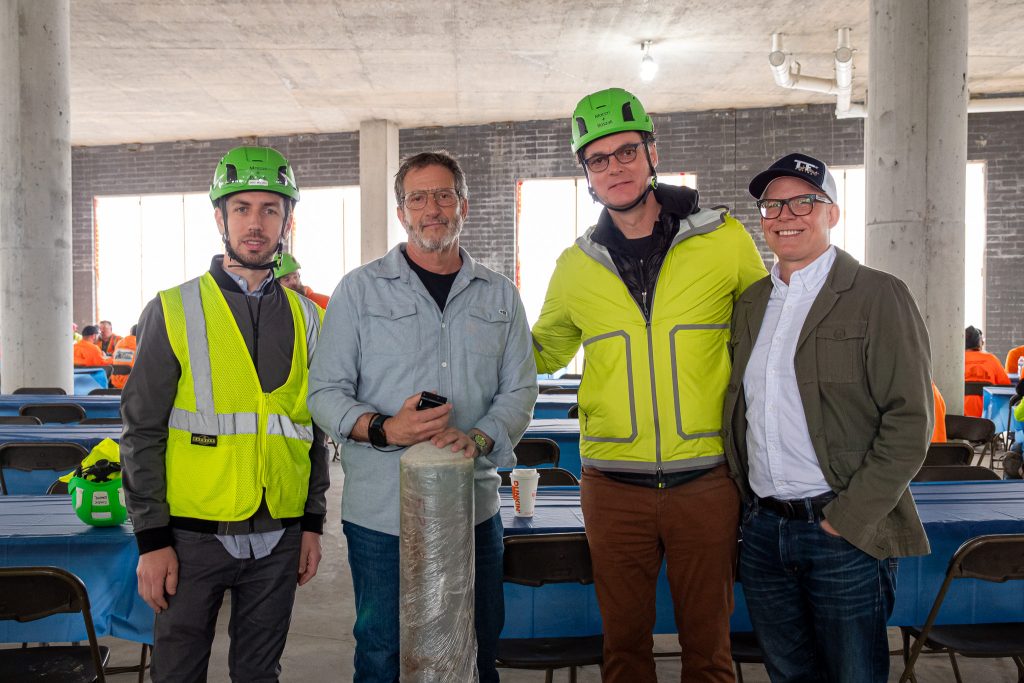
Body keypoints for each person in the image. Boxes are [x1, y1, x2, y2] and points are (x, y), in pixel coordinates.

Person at [530, 87, 767, 682]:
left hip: (706, 481)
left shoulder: (724, 240)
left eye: (626, 151)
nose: (614, 167)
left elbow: (771, 335)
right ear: (586, 174)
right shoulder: (575, 265)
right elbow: (541, 351)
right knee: (624, 652)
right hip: (612, 487)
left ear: (652, 152)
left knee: (709, 653)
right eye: (598, 159)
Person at [308, 150, 537, 683]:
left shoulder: (500, 296)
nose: (431, 208)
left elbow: (520, 388)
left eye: (443, 195)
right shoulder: (358, 291)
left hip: (473, 510)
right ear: (401, 212)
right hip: (382, 517)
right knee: (383, 652)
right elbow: (323, 393)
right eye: (417, 198)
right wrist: (385, 428)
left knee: (477, 645)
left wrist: (481, 437)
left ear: (464, 205)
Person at [120, 146, 329, 683]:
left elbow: (311, 429)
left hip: (279, 536)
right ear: (220, 218)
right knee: (177, 673)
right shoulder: (173, 309)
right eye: (241, 209)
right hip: (190, 539)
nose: (255, 223)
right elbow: (142, 432)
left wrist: (311, 524)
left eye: (270, 209)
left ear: (287, 221)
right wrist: (152, 539)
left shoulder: (308, 318)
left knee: (260, 674)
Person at [722, 153, 933, 682]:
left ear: (831, 213)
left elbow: (910, 421)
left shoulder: (878, 295)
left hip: (840, 531)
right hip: (765, 531)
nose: (785, 215)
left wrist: (848, 519)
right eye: (772, 205)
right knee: (788, 674)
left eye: (803, 202)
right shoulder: (751, 304)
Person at [964, 325, 1010, 417]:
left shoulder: (956, 361)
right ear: (980, 342)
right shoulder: (991, 359)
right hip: (987, 417)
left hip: (960, 417)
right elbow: (1006, 387)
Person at [110, 324, 138, 390]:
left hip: (115, 383)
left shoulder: (119, 343)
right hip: (132, 384)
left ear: (130, 333)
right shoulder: (139, 343)